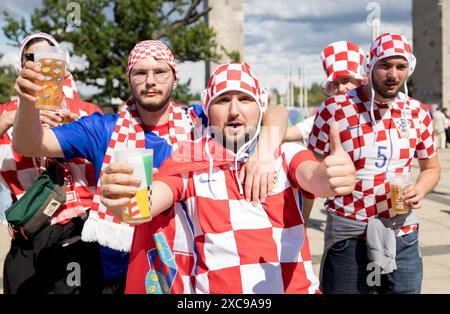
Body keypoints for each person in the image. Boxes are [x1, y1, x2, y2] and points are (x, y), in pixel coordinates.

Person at [12, 40, 289, 293]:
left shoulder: (199, 121)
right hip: (117, 272)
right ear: (129, 78)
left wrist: (265, 152)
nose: (150, 81)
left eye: (160, 72)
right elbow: (30, 144)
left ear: (174, 77)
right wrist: (27, 101)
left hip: (185, 271)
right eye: (140, 73)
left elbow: (273, 111)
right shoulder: (104, 129)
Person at [99, 62, 357, 293]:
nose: (234, 110)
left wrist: (333, 177)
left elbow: (315, 178)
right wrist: (125, 198)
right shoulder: (188, 158)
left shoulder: (287, 154)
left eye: (244, 99)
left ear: (260, 108)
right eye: (223, 101)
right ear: (208, 110)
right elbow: (148, 203)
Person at [308, 33, 441, 294]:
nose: (393, 74)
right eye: (385, 65)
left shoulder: (418, 112)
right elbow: (308, 171)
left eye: (400, 67)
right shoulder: (334, 108)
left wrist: (420, 190)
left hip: (402, 233)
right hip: (349, 235)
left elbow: (432, 167)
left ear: (409, 69)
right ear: (370, 65)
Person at [0, 32, 104, 294]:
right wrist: (17, 115)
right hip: (32, 232)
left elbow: (107, 165)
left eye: (49, 56)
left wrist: (75, 133)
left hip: (79, 234)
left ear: (62, 63)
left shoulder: (88, 111)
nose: (41, 63)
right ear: (21, 67)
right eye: (31, 58)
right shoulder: (7, 111)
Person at [284, 41, 367, 223]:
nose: (340, 89)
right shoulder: (325, 116)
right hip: (343, 215)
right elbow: (288, 133)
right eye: (335, 84)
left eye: (346, 81)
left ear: (359, 81)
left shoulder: (376, 113)